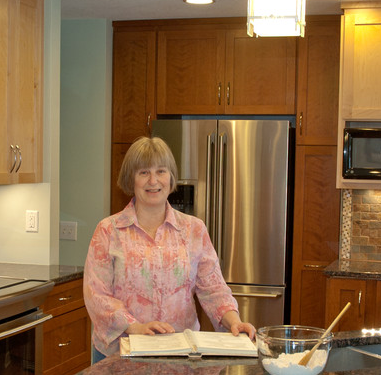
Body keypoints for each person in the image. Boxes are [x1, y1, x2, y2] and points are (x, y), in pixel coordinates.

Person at [83, 136, 256, 362]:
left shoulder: (194, 229)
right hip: (121, 354)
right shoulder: (108, 231)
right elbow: (96, 294)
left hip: (181, 355)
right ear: (130, 179)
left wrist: (234, 322)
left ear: (171, 177)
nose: (153, 180)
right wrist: (135, 327)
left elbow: (213, 289)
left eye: (161, 171)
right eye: (143, 172)